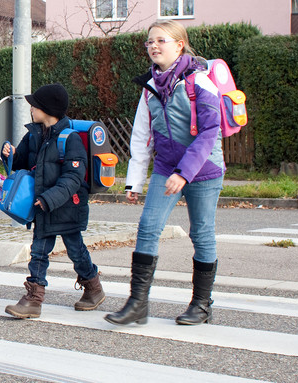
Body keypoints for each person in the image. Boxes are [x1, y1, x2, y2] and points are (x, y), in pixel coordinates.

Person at [105, 20, 224, 326]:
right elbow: (142, 135)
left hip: (204, 169)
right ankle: (138, 304)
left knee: (201, 233)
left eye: (161, 41)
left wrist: (184, 173)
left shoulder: (200, 82)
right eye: (150, 42)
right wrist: (135, 180)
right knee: (148, 227)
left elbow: (210, 132)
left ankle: (201, 305)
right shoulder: (150, 87)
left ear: (179, 45)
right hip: (166, 167)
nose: (154, 46)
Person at [3, 83, 104, 319]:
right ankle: (33, 300)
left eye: (34, 105)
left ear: (48, 109)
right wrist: (12, 155)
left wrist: (49, 199)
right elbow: (24, 165)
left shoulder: (70, 139)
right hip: (43, 205)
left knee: (76, 251)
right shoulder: (34, 134)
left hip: (67, 206)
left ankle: (93, 287)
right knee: (39, 252)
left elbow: (73, 178)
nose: (31, 109)